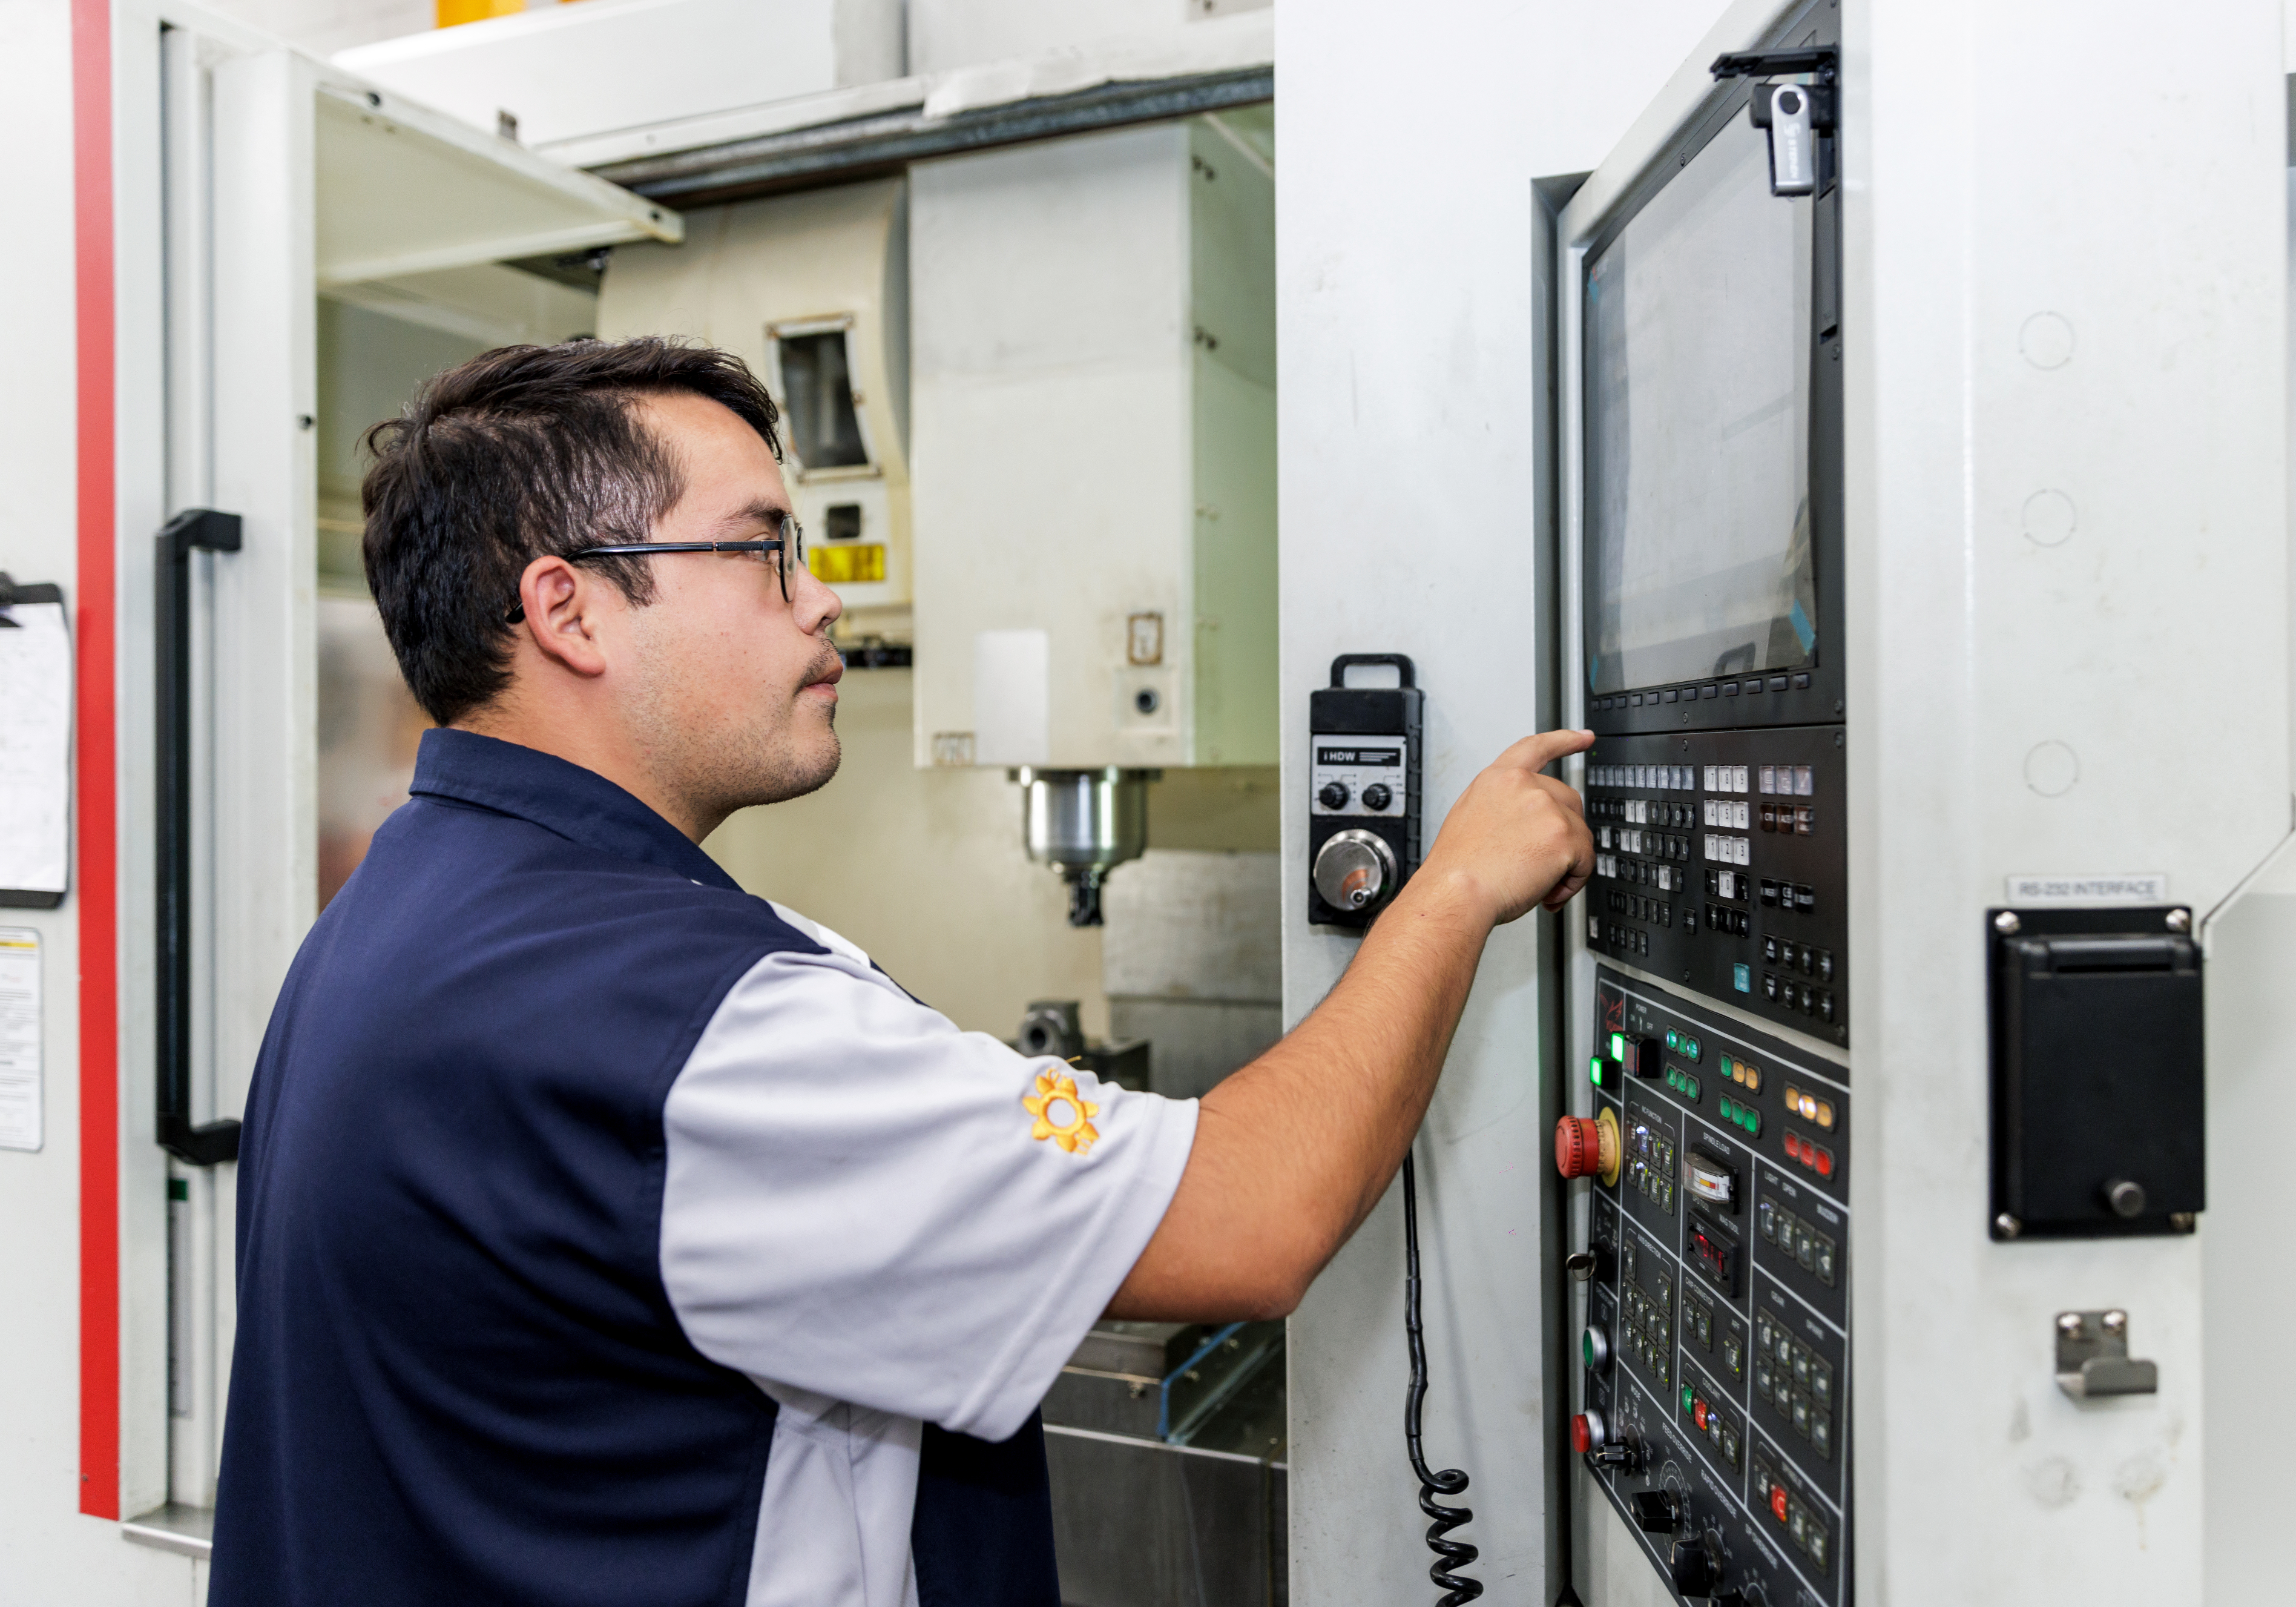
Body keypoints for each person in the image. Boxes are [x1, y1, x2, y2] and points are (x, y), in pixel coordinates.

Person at [207, 338, 1593, 1607]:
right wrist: (1457, 886)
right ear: (569, 609)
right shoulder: (683, 1019)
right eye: (763, 550)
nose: (824, 606)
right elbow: (1254, 1213)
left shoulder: (391, 915)